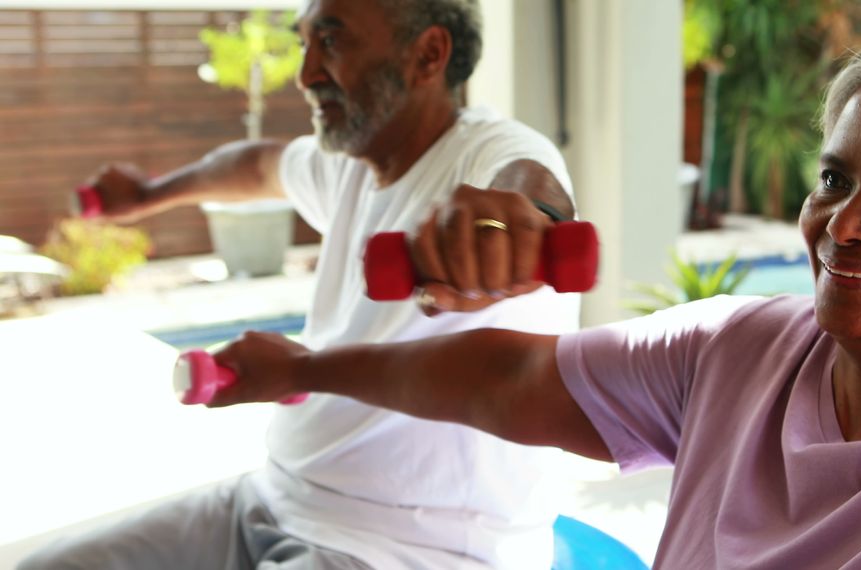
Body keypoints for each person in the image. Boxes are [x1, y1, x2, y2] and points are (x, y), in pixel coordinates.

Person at [190, 24, 861, 567]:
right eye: (834, 179)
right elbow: (508, 378)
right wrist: (306, 366)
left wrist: (535, 208)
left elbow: (531, 183)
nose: (842, 224)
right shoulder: (739, 351)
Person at [19, 1, 580, 569]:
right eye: (305, 43)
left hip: (414, 546)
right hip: (269, 498)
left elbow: (529, 187)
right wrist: (149, 194)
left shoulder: (490, 148)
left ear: (428, 54)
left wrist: (517, 223)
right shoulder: (356, 163)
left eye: (331, 43)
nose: (306, 72)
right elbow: (256, 165)